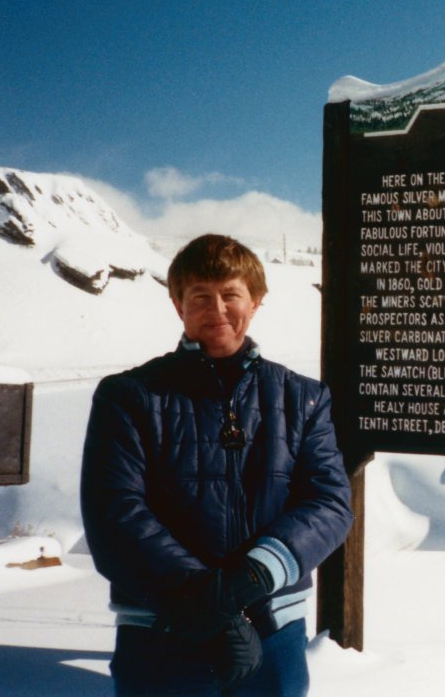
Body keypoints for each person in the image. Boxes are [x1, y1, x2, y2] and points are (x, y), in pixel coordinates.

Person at [81, 234, 353, 695]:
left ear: (257, 300)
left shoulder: (303, 397)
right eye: (200, 296)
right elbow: (115, 512)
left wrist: (249, 579)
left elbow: (328, 503)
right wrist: (209, 603)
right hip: (163, 626)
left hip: (274, 625)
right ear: (177, 303)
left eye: (231, 294)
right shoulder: (129, 396)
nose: (218, 309)